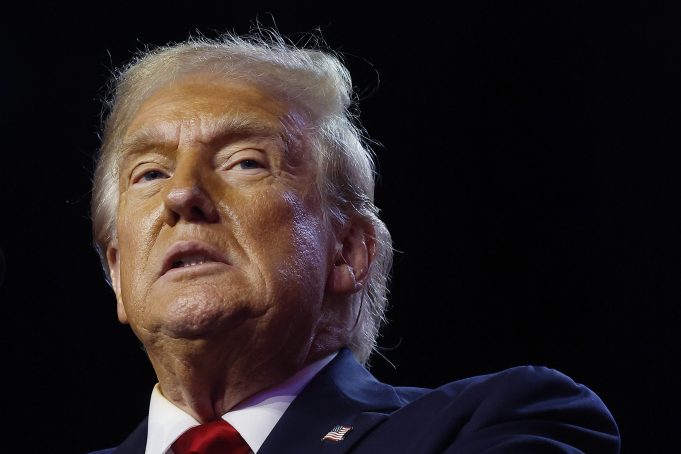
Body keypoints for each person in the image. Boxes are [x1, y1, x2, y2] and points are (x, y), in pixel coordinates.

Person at [88, 30, 620, 454]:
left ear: (347, 251)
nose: (183, 193)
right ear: (116, 272)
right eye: (149, 174)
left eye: (245, 162)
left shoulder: (497, 421)